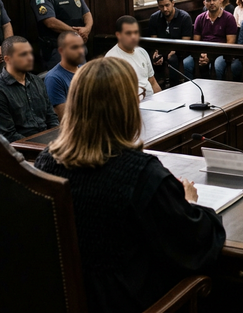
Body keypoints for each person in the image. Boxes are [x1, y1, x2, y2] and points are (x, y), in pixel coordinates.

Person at [34, 57, 226, 313]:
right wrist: (189, 203)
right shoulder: (141, 173)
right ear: (126, 107)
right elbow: (194, 243)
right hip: (126, 301)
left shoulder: (46, 162)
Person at [31, 0, 93, 69]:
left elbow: (87, 13)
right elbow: (51, 22)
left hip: (78, 46)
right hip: (57, 50)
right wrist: (77, 33)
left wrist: (87, 29)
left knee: (81, 81)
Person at [0, 36, 58, 141]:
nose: (30, 58)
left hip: (47, 142)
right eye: (23, 54)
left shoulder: (37, 81)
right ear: (7, 59)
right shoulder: (2, 89)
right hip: (23, 149)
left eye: (30, 53)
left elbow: (52, 118)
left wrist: (56, 140)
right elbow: (8, 135)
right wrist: (41, 146)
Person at [184, 0, 238, 80]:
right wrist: (202, 54)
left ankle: (218, 94)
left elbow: (230, 44)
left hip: (222, 53)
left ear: (219, 0)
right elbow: (196, 42)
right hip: (203, 52)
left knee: (216, 68)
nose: (212, 3)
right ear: (204, 3)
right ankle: (193, 92)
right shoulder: (200, 18)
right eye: (208, 0)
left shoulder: (229, 18)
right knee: (186, 65)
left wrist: (210, 56)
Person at [106, 16, 161, 99]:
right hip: (133, 106)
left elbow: (153, 82)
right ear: (118, 35)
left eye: (136, 32)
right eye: (128, 33)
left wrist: (162, 101)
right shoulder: (111, 60)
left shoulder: (142, 52)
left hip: (152, 101)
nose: (133, 37)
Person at [147, 0, 194, 86]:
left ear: (173, 3)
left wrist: (173, 51)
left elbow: (185, 42)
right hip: (162, 50)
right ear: (158, 6)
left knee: (173, 60)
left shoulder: (184, 17)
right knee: (151, 59)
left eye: (167, 5)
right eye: (161, 6)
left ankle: (175, 87)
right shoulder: (154, 18)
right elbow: (154, 41)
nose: (165, 9)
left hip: (180, 51)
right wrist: (156, 53)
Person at [45, 32, 85, 119]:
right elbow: (64, 118)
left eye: (82, 46)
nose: (81, 51)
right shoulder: (54, 78)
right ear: (61, 51)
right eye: (74, 47)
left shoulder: (85, 70)